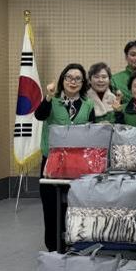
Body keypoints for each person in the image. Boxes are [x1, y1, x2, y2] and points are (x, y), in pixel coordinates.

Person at [34, 63, 95, 251]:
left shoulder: (88, 104)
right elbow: (39, 115)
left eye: (78, 79)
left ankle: (74, 243)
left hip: (78, 163)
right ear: (62, 80)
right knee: (51, 205)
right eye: (69, 77)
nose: (73, 82)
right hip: (52, 162)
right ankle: (54, 246)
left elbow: (92, 131)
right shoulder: (52, 100)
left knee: (76, 205)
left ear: (83, 83)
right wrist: (48, 96)